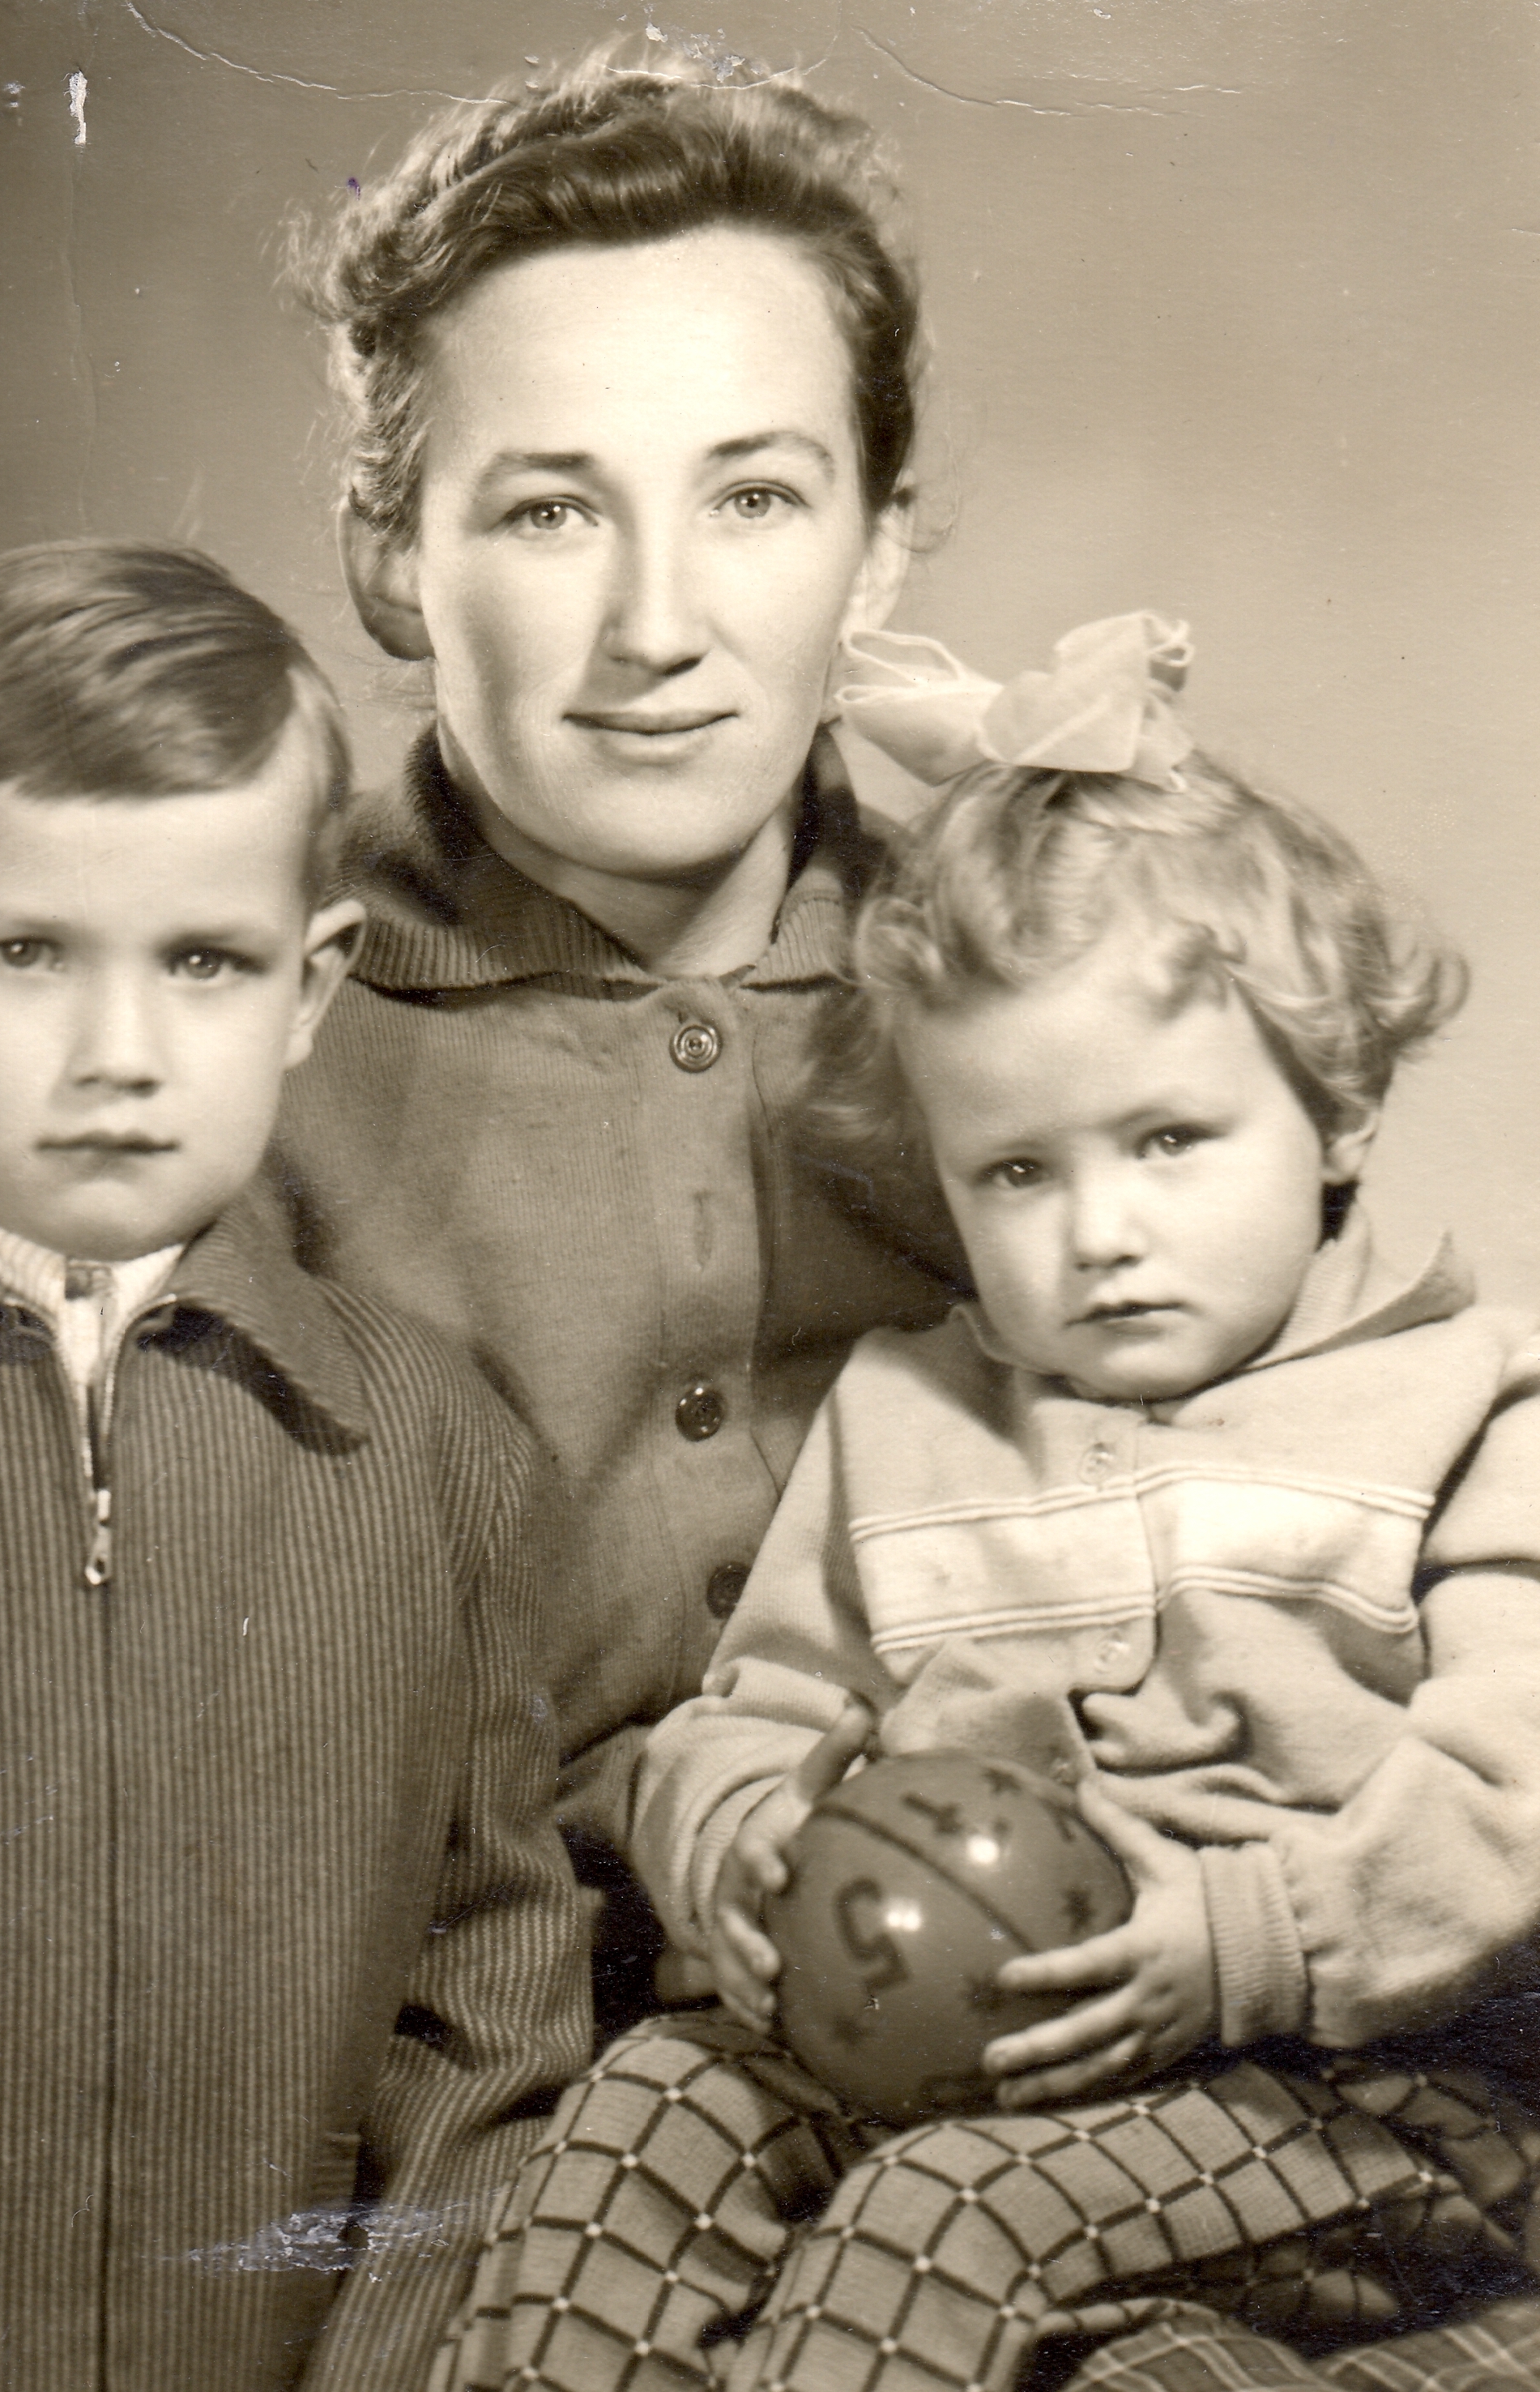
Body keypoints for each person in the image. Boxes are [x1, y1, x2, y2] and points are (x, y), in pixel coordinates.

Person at [434, 617, 1540, 2390]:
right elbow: (761, 1706)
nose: (1099, 1234)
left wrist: (1243, 1943)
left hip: (1360, 2085)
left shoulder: (1473, 1401)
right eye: (1017, 1171)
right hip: (955, 2040)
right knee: (643, 2112)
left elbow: (1514, 1801)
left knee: (933, 2215)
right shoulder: (909, 1413)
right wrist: (735, 1835)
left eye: (1168, 1142)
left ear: (1334, 1112)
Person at [0, 540, 590, 2392]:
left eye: (202, 962)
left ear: (311, 985)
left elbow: (490, 2030)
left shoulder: (434, 1460)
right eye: (27, 953)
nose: (119, 1053)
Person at [279, 56, 958, 2035]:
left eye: (751, 497)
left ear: (877, 548)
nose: (655, 624)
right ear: (389, 554)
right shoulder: (216, 1038)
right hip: (442, 2079)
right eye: (552, 508)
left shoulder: (1039, 995)